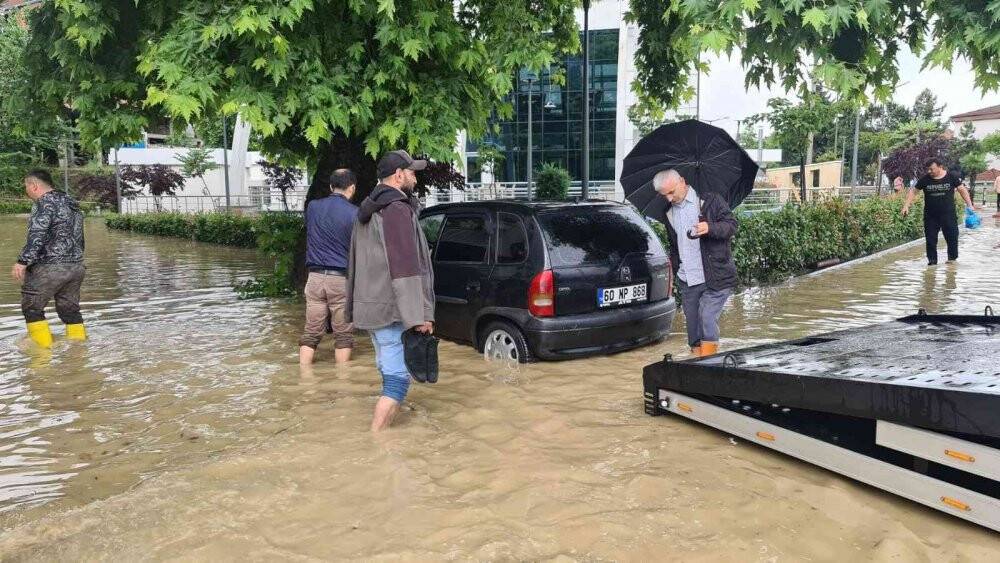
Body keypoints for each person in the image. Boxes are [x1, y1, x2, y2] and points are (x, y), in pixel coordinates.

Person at [345, 150, 434, 431]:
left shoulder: (370, 209)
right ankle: (378, 445)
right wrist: (418, 316)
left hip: (372, 307)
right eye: (412, 172)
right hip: (392, 310)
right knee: (398, 382)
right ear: (398, 175)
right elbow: (405, 267)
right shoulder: (396, 209)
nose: (415, 177)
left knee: (389, 373)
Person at [654, 169, 738, 357]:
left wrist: (710, 227)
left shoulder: (710, 201)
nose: (668, 198)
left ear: (682, 181)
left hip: (715, 276)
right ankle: (697, 364)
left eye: (671, 192)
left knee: (706, 317)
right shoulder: (667, 212)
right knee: (693, 328)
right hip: (687, 279)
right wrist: (675, 271)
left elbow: (732, 225)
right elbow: (675, 246)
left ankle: (709, 363)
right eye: (664, 195)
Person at [12, 170, 86, 348]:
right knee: (70, 311)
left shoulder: (43, 203)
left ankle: (41, 360)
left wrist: (22, 261)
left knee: (32, 308)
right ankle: (78, 353)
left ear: (34, 185)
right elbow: (80, 236)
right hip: (76, 267)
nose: (26, 190)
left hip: (49, 266)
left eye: (26, 186)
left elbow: (38, 234)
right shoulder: (71, 203)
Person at [298, 169, 358, 365]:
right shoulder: (354, 213)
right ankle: (343, 382)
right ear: (352, 188)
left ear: (331, 187)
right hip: (339, 279)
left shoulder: (313, 207)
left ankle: (304, 375)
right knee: (343, 335)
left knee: (311, 331)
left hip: (314, 279)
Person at [901, 158, 975, 265]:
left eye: (932, 169)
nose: (929, 172)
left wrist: (970, 205)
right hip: (931, 216)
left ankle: (951, 260)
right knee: (930, 240)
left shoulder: (951, 177)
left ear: (940, 167)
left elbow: (962, 190)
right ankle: (932, 263)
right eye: (928, 169)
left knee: (952, 238)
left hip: (948, 215)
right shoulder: (925, 179)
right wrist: (906, 206)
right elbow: (913, 191)